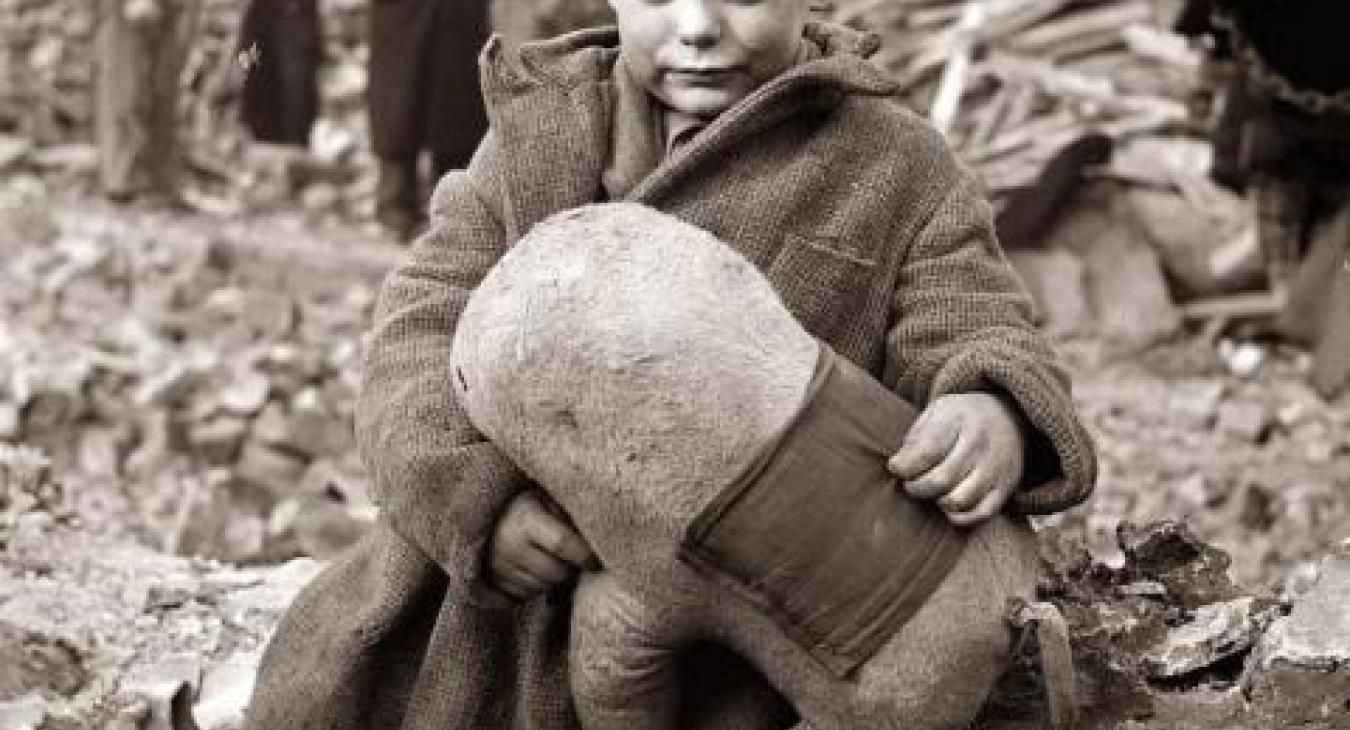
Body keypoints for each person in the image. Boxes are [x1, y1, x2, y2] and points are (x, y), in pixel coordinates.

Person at [244, 1, 1098, 728]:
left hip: (724, 629)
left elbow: (974, 312)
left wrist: (990, 406)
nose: (696, 28)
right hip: (483, 617)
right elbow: (417, 330)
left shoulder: (891, 164)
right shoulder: (536, 132)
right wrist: (472, 501)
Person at [368, 0, 491, 241]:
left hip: (458, 12)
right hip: (400, 13)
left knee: (455, 102)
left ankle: (454, 210)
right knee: (398, 98)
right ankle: (396, 206)